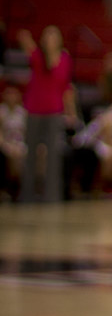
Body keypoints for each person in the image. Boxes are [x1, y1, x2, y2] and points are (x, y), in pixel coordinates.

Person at [17, 25, 73, 203]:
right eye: (47, 35)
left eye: (53, 35)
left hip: (54, 111)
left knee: (53, 156)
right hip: (34, 110)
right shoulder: (37, 56)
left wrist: (70, 112)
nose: (50, 38)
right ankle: (26, 195)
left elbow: (66, 87)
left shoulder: (65, 58)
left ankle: (52, 196)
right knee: (31, 153)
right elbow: (25, 41)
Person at [0, 84, 27, 200]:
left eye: (13, 94)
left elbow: (27, 133)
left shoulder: (23, 112)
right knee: (10, 154)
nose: (11, 97)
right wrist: (5, 145)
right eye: (8, 93)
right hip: (6, 143)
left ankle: (24, 188)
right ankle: (9, 188)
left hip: (21, 144)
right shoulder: (1, 111)